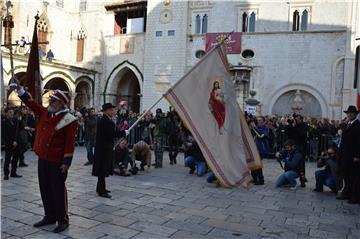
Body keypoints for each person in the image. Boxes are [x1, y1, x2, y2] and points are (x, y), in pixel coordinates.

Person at [11, 79, 78, 234]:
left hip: (57, 161)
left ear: (61, 103)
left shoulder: (69, 119)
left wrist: (66, 162)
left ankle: (62, 219)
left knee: (58, 191)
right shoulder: (46, 112)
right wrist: (20, 90)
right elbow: (31, 104)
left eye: (53, 100)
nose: (50, 102)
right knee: (45, 188)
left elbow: (69, 143)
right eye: (51, 100)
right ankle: (49, 216)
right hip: (43, 158)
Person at [92, 103, 127, 198]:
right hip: (103, 149)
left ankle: (101, 188)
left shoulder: (107, 120)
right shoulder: (105, 121)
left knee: (103, 169)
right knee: (102, 170)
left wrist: (122, 132)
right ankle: (101, 190)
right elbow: (110, 134)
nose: (113, 111)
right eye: (111, 110)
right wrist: (123, 132)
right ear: (106, 111)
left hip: (105, 148)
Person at [337, 105, 360, 204]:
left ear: (355, 114)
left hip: (353, 155)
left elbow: (359, 142)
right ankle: (347, 193)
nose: (349, 115)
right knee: (346, 175)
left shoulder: (358, 125)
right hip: (345, 154)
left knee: (354, 177)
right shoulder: (347, 125)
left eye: (352, 113)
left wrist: (357, 156)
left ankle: (354, 196)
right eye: (348, 113)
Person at [1, 107, 21, 179]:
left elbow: (17, 131)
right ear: (6, 113)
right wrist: (11, 142)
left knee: (15, 158)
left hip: (16, 142)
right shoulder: (3, 122)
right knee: (7, 159)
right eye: (9, 112)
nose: (11, 114)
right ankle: (6, 174)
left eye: (12, 112)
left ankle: (13, 172)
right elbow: (4, 135)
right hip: (9, 144)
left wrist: (15, 141)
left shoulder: (15, 120)